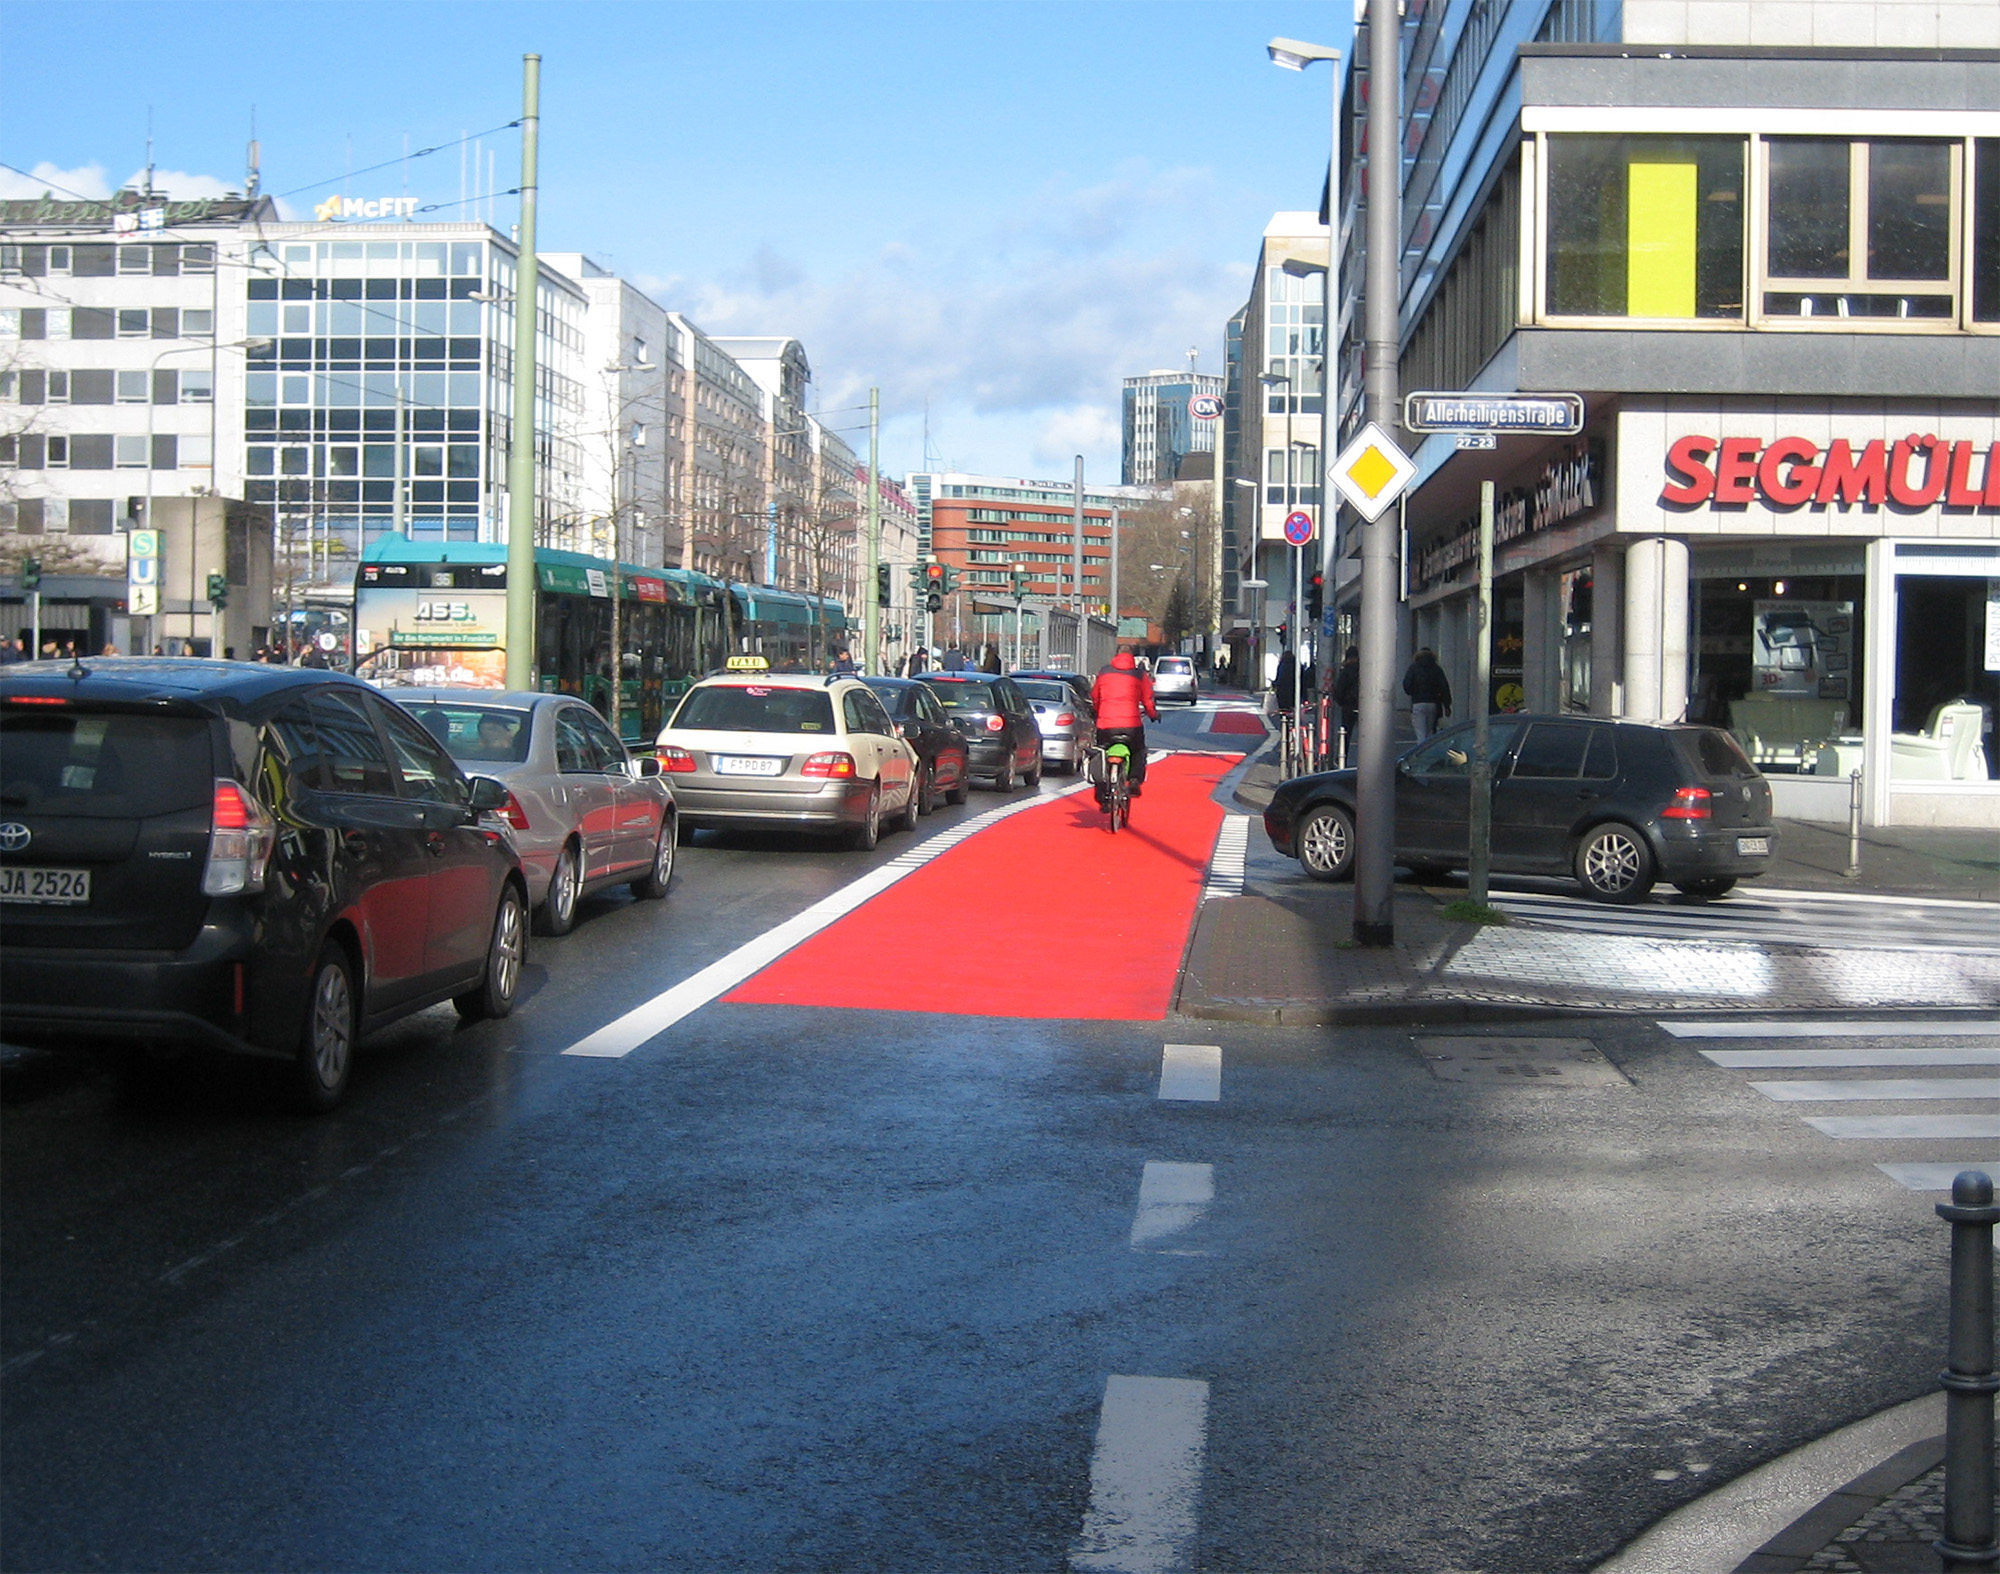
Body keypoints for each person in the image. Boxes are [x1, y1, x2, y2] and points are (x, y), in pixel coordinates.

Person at [1090, 649, 1159, 805]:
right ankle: (1134, 780)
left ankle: (1102, 792)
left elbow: (1095, 696)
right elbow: (1148, 700)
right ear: (1132, 658)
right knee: (1138, 750)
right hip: (1131, 725)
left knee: (1101, 752)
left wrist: (1097, 711)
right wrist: (1153, 714)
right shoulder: (1139, 675)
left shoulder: (1104, 672)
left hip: (1106, 725)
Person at [1403, 647, 1452, 740]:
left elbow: (1407, 685)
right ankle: (1430, 750)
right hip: (1433, 703)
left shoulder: (1413, 668)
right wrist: (1446, 705)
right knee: (1430, 731)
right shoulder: (1436, 669)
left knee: (1420, 733)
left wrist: (1413, 692)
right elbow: (1444, 687)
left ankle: (1421, 751)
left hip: (1418, 702)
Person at [1331, 646, 1361, 762]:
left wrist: (1341, 702)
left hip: (1348, 705)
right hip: (1362, 705)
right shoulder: (1364, 669)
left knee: (1346, 734)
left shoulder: (1346, 671)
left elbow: (1340, 690)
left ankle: (1342, 757)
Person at [1271, 645, 1298, 716]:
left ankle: (1284, 722)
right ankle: (1292, 721)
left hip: (1283, 690)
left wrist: (1274, 683)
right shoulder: (1297, 665)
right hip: (1294, 690)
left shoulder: (1282, 665)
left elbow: (1280, 678)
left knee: (1283, 709)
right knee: (1292, 707)